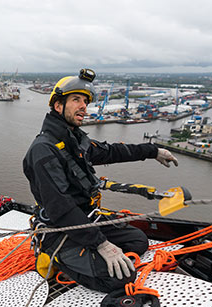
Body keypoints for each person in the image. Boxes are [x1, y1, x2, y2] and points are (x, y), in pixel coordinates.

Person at [23, 68, 178, 292]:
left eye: (85, 101)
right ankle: (55, 257)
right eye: (76, 99)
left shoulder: (74, 141)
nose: (83, 106)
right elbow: (61, 208)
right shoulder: (44, 151)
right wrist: (102, 245)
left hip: (86, 221)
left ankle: (89, 256)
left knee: (138, 241)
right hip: (61, 229)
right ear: (58, 106)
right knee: (120, 279)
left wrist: (152, 151)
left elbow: (112, 152)